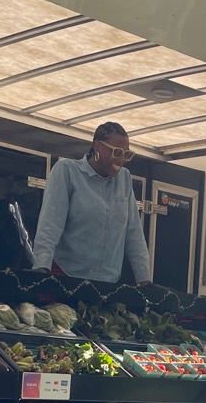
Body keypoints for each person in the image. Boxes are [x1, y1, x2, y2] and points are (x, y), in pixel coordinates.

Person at [32, 121, 152, 284]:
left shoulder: (124, 178)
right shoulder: (67, 170)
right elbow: (50, 225)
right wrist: (41, 267)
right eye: (116, 152)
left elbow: (134, 234)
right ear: (97, 146)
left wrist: (145, 279)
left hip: (107, 282)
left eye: (126, 154)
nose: (121, 160)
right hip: (66, 276)